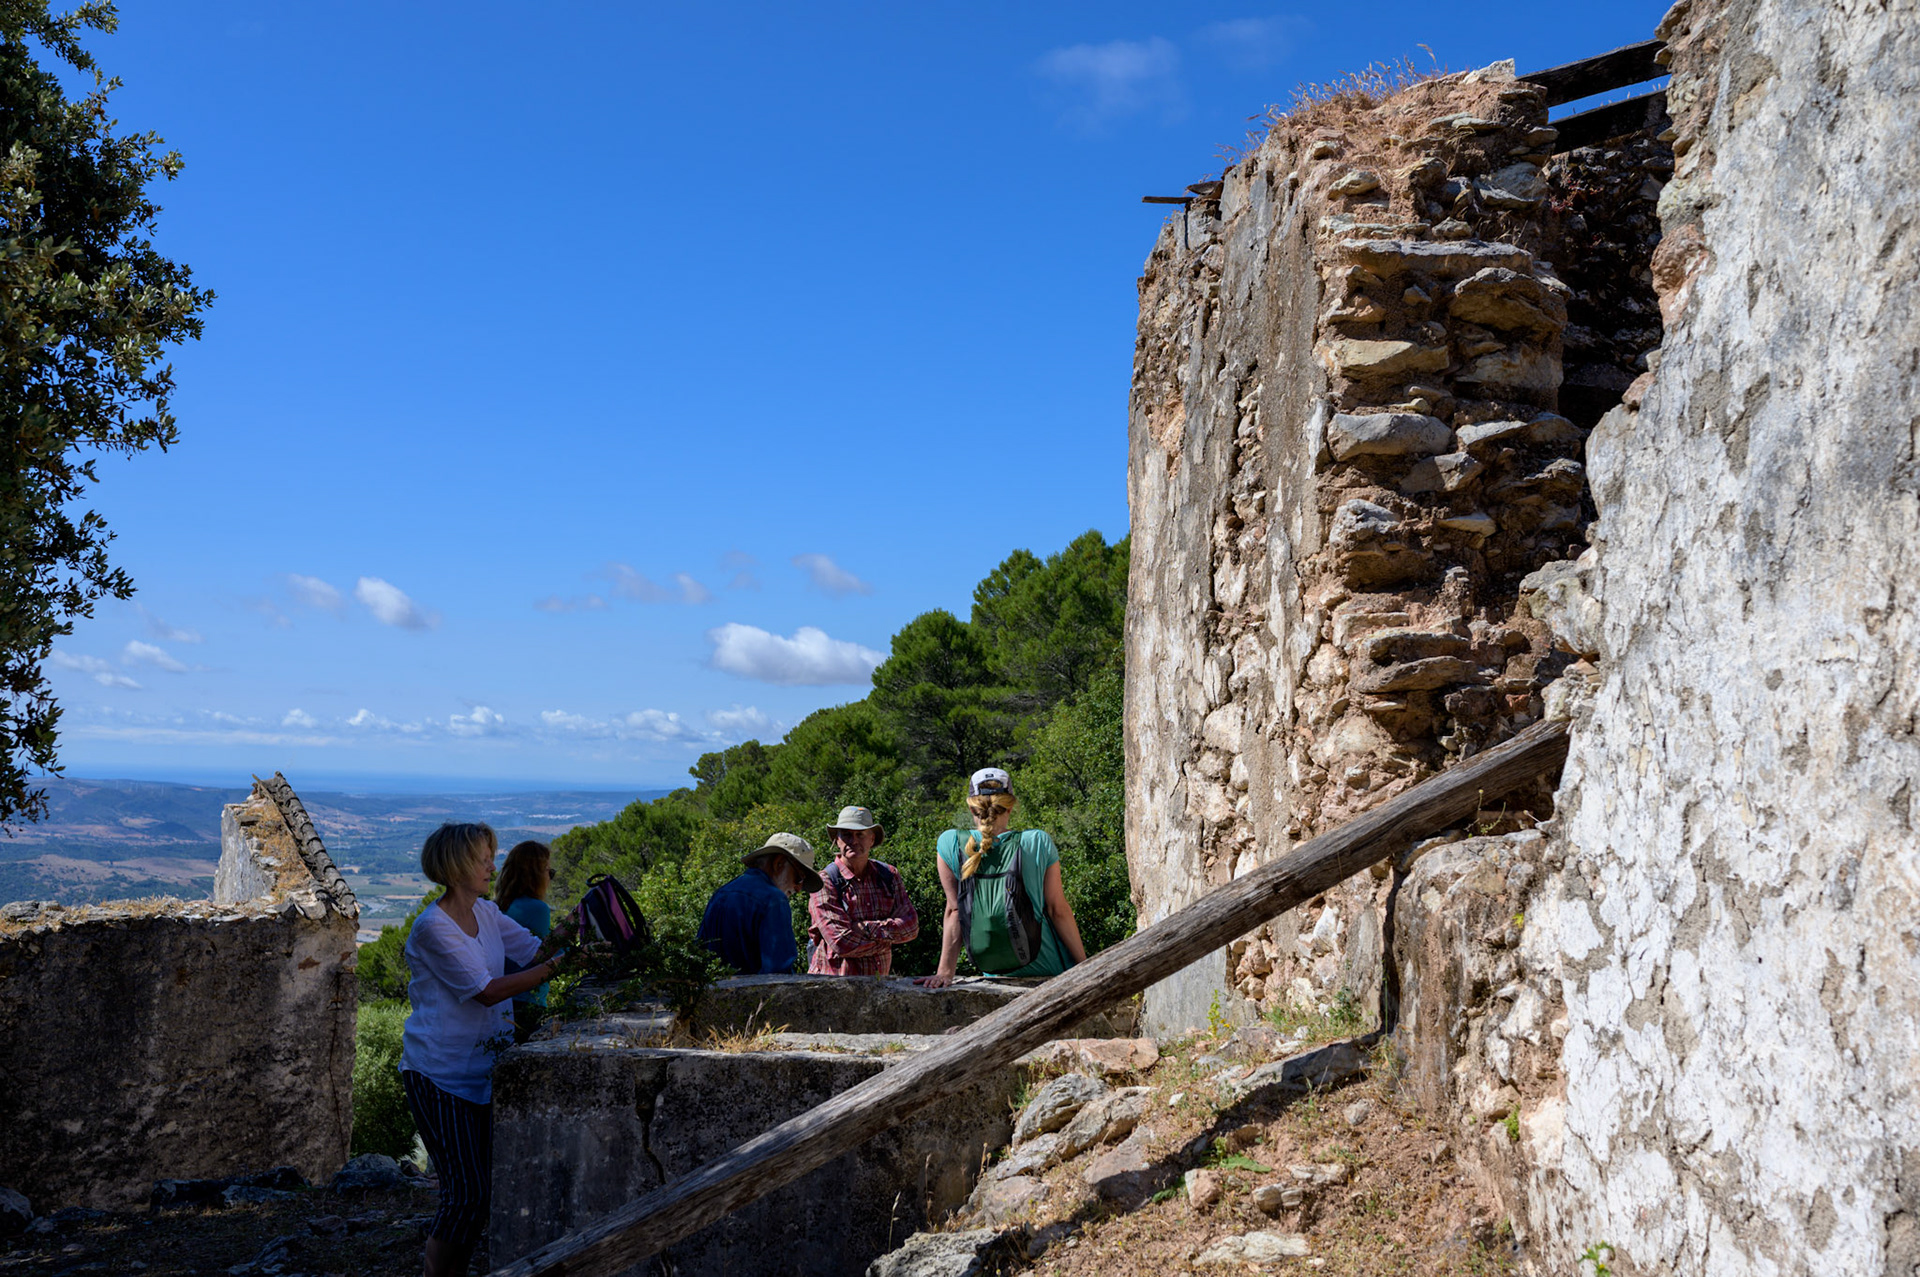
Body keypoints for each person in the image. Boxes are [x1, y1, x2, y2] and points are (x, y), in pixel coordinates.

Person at [400, 821, 567, 1277]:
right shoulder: (433, 928)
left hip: (483, 1070)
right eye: (482, 858)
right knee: (465, 1194)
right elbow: (488, 991)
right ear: (456, 866)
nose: (492, 866)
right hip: (439, 1074)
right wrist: (559, 963)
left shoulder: (488, 914)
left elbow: (535, 951)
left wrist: (577, 929)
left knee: (480, 1192)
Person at [923, 767, 1087, 989]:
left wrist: (944, 972)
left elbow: (954, 911)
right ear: (1011, 805)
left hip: (995, 972)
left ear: (970, 805)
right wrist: (1086, 965)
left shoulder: (950, 844)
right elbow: (1057, 910)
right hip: (1050, 968)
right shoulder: (1037, 841)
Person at [807, 805, 919, 976]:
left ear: (872, 839)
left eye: (860, 834)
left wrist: (864, 928)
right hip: (832, 988)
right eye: (846, 835)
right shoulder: (825, 881)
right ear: (837, 840)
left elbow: (911, 926)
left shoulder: (888, 875)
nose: (853, 841)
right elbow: (841, 943)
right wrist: (885, 943)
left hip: (877, 986)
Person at [696, 832, 822, 975]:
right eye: (799, 878)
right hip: (753, 996)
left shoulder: (721, 893)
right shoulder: (774, 900)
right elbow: (779, 974)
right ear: (778, 864)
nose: (799, 889)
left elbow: (699, 954)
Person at [493, 840, 555, 1044]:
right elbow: (546, 955)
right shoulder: (537, 909)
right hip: (529, 1001)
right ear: (535, 876)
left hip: (502, 1001)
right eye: (548, 871)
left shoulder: (499, 907)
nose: (550, 877)